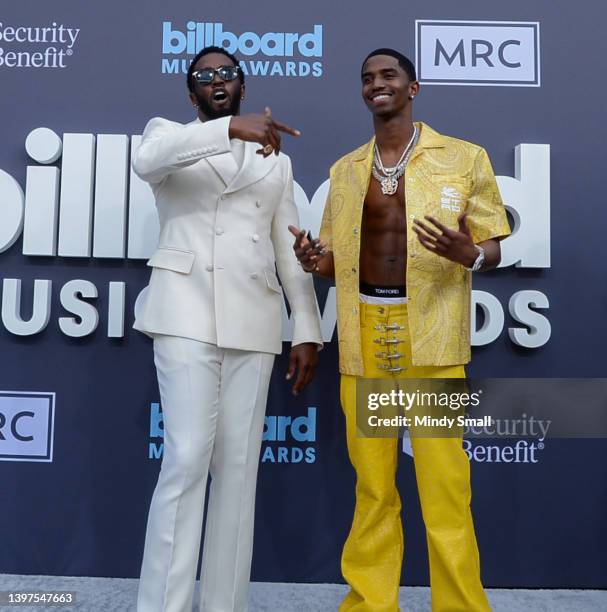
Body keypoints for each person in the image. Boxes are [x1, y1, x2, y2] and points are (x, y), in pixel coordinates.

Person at [290, 48, 510, 611]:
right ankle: (369, 603)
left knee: (444, 490)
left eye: (388, 76)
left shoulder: (463, 158)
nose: (376, 85)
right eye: (367, 79)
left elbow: (492, 244)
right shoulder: (345, 171)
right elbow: (336, 261)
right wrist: (315, 259)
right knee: (373, 490)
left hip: (432, 340)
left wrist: (471, 254)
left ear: (414, 88)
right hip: (365, 342)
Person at [133, 45, 323, 612]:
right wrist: (229, 132)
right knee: (188, 458)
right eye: (204, 76)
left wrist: (307, 327)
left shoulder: (277, 162)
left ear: (243, 85)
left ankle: (224, 604)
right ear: (192, 94)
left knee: (238, 471)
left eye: (227, 74)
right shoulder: (167, 134)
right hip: (184, 314)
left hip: (254, 319)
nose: (217, 80)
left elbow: (287, 249)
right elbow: (149, 162)